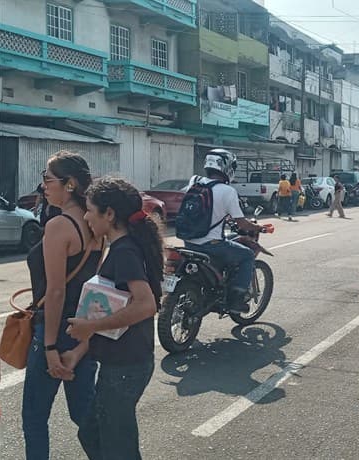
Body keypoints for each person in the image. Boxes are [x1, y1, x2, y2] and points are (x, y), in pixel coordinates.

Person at [65, 177, 163, 460]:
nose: (85, 216)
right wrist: (79, 350)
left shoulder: (126, 252)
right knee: (92, 434)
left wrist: (90, 326)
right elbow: (110, 310)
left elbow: (146, 305)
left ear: (109, 214)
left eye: (90, 210)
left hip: (125, 367)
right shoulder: (123, 247)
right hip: (121, 362)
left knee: (118, 448)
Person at [22, 151, 102, 460]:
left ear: (69, 184)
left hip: (54, 330)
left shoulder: (60, 225)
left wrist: (50, 346)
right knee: (84, 415)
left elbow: (56, 292)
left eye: (47, 179)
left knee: (34, 418)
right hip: (83, 330)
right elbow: (94, 286)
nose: (43, 187)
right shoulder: (94, 222)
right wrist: (83, 342)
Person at [181, 150, 262, 313]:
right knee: (246, 255)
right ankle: (235, 301)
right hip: (211, 245)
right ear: (227, 168)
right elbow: (242, 223)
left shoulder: (195, 181)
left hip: (188, 241)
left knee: (231, 238)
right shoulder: (228, 191)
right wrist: (257, 228)